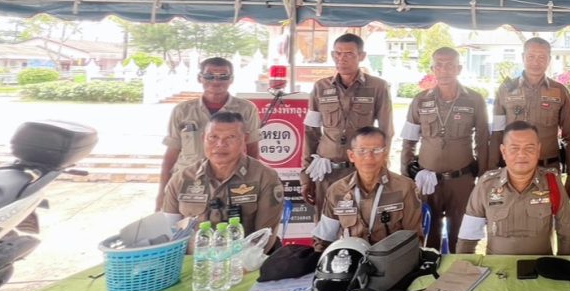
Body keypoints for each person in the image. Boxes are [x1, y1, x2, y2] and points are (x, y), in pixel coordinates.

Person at [400, 47, 490, 252]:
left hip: (461, 181)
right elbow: (409, 140)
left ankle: (460, 269)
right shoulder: (420, 100)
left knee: (462, 236)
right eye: (439, 65)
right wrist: (407, 176)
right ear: (433, 69)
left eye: (450, 65)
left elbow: (483, 141)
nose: (444, 70)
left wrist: (483, 177)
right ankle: (430, 269)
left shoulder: (474, 99)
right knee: (427, 235)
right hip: (427, 182)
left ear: (459, 69)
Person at [302, 33, 393, 217]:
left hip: (361, 171)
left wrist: (380, 168)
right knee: (325, 224)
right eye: (337, 53)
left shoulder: (378, 87)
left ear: (361, 56)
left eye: (349, 54)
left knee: (360, 222)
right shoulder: (320, 87)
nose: (342, 59)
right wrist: (306, 176)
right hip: (326, 172)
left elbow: (386, 132)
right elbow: (311, 132)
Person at [162, 111, 282, 247]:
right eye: (213, 137)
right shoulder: (182, 178)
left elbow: (264, 238)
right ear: (203, 138)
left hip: (245, 258)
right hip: (193, 258)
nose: (220, 144)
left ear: (245, 139)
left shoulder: (265, 177)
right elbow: (170, 233)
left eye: (231, 137)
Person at [156, 57, 261, 210]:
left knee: (231, 223)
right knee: (185, 223)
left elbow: (252, 150)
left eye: (223, 76)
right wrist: (161, 194)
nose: (216, 81)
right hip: (190, 183)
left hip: (231, 181)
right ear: (200, 78)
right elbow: (171, 154)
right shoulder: (182, 111)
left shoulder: (246, 109)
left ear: (231, 79)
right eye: (209, 76)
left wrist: (252, 184)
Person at [458, 121, 570, 255]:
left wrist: (561, 266)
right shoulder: (486, 185)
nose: (522, 154)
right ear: (504, 151)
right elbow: (468, 237)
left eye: (529, 148)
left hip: (540, 266)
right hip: (497, 266)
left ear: (538, 150)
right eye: (514, 148)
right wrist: (465, 266)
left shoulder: (551, 182)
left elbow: (567, 234)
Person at [490, 37, 570, 201]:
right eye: (531, 56)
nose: (536, 62)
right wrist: (491, 169)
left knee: (548, 214)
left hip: (547, 169)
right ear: (522, 57)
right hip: (512, 170)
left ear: (549, 60)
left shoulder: (559, 91)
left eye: (542, 57)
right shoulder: (505, 90)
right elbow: (497, 132)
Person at [310, 127, 421, 252]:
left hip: (392, 259)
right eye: (362, 151)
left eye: (376, 150)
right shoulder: (337, 191)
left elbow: (413, 238)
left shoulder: (405, 187)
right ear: (351, 155)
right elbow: (324, 239)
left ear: (385, 154)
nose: (369, 157)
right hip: (352, 258)